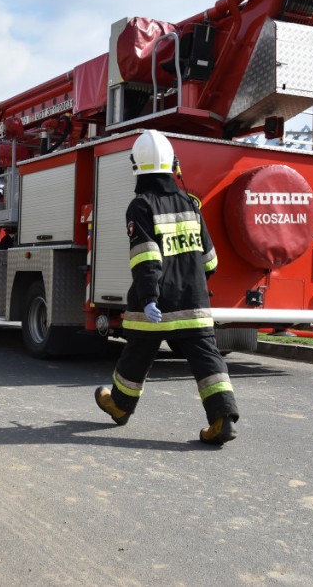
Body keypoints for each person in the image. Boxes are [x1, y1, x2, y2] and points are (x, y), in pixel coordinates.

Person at [94, 130, 239, 445]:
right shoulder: (189, 203)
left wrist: (148, 298)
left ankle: (119, 406)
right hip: (193, 300)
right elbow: (210, 260)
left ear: (137, 166)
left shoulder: (140, 205)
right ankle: (222, 418)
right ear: (174, 165)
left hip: (155, 306)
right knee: (207, 358)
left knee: (137, 353)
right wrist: (196, 286)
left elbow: (146, 257)